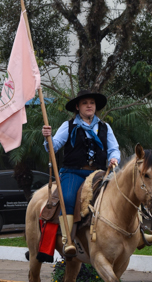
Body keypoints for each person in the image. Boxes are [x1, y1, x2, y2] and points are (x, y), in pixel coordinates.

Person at [42, 89, 120, 256]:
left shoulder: (105, 127)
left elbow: (114, 148)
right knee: (68, 198)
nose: (89, 106)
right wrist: (47, 138)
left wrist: (114, 158)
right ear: (77, 107)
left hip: (99, 173)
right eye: (85, 103)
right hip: (73, 172)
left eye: (92, 103)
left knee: (122, 193)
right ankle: (67, 241)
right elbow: (53, 147)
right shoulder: (68, 126)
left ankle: (138, 234)